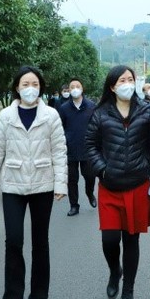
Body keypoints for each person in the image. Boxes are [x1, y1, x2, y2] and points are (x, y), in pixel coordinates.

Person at [0, 66, 67, 299]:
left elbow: (59, 151)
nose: (30, 88)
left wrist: (61, 185)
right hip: (13, 185)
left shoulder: (51, 115)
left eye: (35, 84)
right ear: (17, 88)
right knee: (14, 240)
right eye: (25, 84)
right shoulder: (6, 116)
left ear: (41, 87)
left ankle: (39, 292)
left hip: (42, 183)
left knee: (40, 240)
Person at [85, 65, 150, 299]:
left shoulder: (147, 111)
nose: (127, 84)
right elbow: (90, 146)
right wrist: (102, 169)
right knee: (109, 239)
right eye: (122, 80)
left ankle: (128, 291)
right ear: (112, 86)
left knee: (132, 239)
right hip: (110, 186)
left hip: (137, 185)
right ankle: (114, 271)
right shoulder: (100, 113)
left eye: (131, 79)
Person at [58, 77, 97, 216]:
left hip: (87, 149)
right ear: (69, 90)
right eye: (72, 87)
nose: (75, 89)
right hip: (70, 149)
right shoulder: (64, 108)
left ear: (82, 88)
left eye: (77, 86)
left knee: (90, 176)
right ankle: (74, 205)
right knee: (72, 180)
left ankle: (90, 193)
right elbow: (60, 127)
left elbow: (96, 126)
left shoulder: (91, 106)